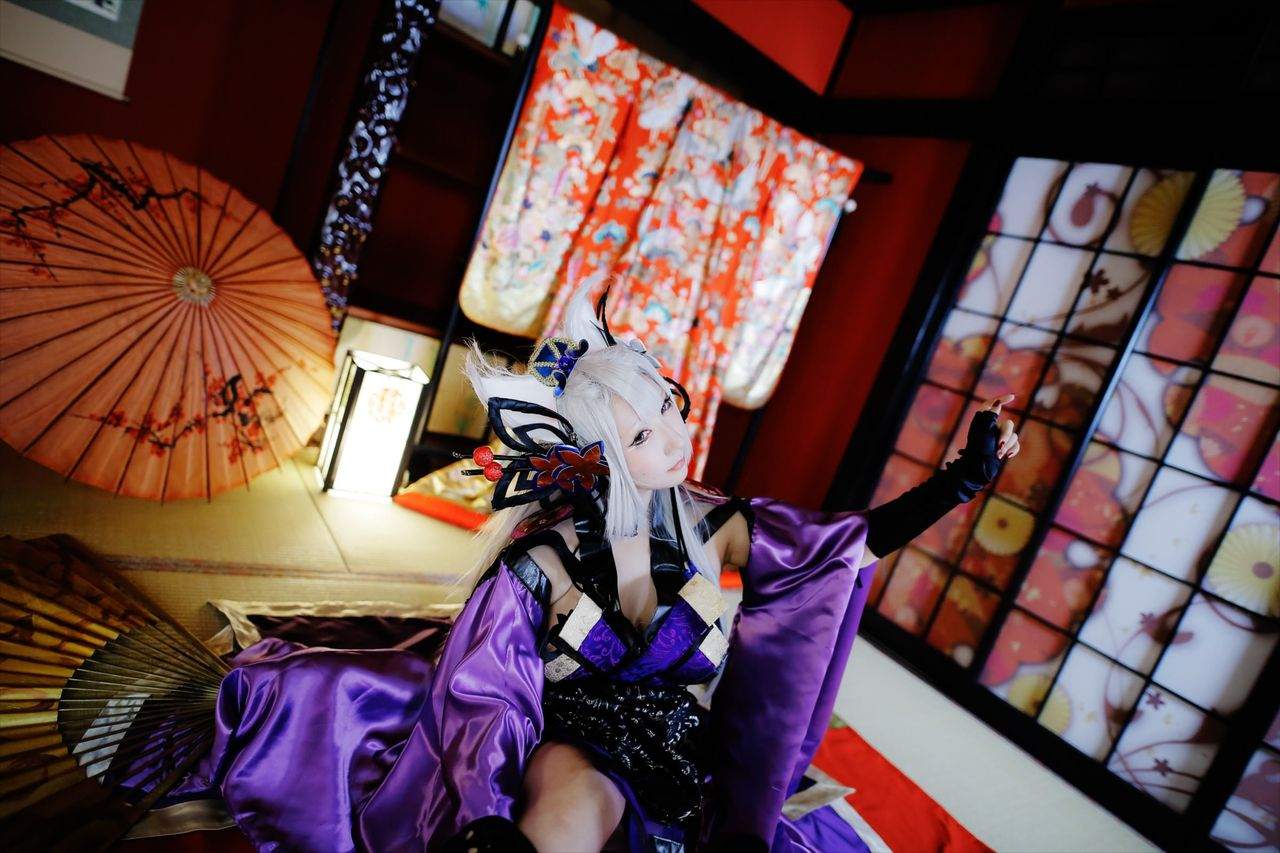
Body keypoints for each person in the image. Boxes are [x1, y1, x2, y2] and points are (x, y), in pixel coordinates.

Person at [161, 285, 1019, 853]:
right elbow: (487, 695)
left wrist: (959, 481)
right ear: (598, 453)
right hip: (571, 740)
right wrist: (480, 807)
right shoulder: (543, 560)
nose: (675, 436)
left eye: (667, 407)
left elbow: (842, 550)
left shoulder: (715, 523)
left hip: (689, 758)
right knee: (568, 809)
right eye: (642, 433)